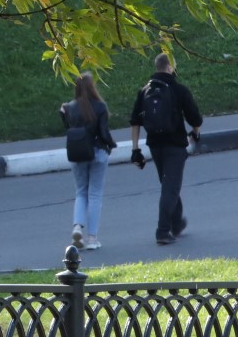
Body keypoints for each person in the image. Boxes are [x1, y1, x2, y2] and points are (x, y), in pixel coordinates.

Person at [129, 53, 204, 246]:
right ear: (170, 67)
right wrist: (195, 134)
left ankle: (176, 223)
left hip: (155, 145)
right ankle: (162, 231)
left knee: (168, 184)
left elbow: (135, 121)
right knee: (170, 187)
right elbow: (195, 118)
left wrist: (135, 149)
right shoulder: (179, 90)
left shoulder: (144, 91)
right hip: (175, 145)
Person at [59, 71, 115, 251]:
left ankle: (77, 227)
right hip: (98, 153)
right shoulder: (100, 106)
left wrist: (63, 114)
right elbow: (104, 133)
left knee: (81, 192)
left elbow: (70, 129)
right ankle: (92, 238)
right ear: (92, 87)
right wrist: (111, 145)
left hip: (77, 154)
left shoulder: (69, 107)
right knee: (95, 194)